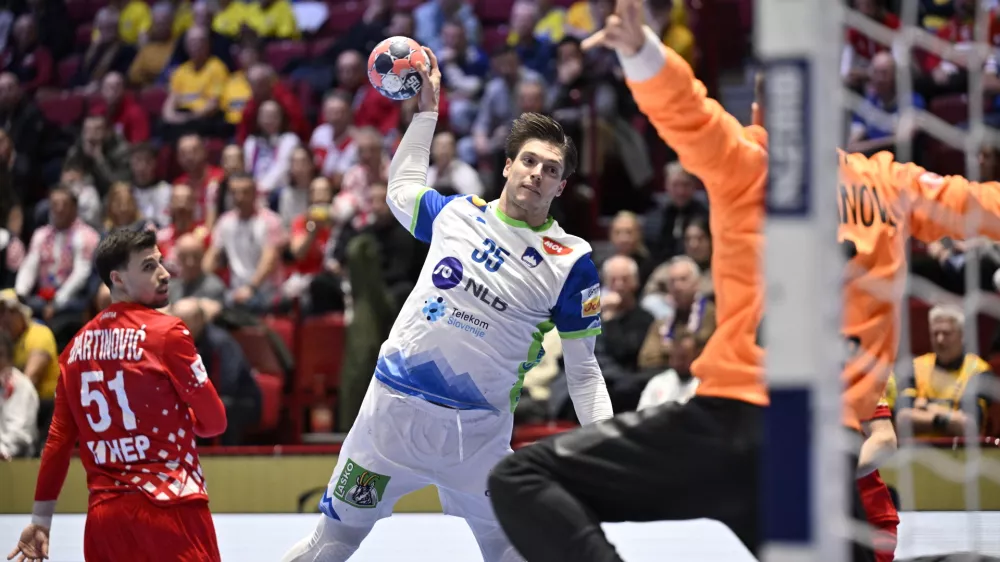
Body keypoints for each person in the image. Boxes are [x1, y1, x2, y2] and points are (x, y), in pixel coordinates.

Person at [487, 0, 1000, 561]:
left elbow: (692, 115)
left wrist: (641, 52)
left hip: (734, 427)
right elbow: (980, 206)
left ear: (763, 108)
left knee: (521, 478)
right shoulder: (892, 185)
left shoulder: (751, 160)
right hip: (821, 453)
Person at [280, 47, 612, 562]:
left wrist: (605, 447)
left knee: (512, 552)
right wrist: (427, 113)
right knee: (332, 543)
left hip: (476, 441)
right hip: (388, 421)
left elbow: (585, 373)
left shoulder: (571, 262)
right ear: (507, 165)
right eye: (528, 161)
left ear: (561, 185)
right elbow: (400, 191)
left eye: (550, 169)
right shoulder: (456, 214)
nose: (536, 174)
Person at [7, 229, 228, 562]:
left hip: (104, 522)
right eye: (149, 266)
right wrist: (188, 420)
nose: (164, 273)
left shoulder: (74, 349)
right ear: (118, 278)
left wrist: (40, 521)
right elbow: (214, 422)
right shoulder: (168, 332)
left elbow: (57, 443)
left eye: (161, 262)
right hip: (172, 509)